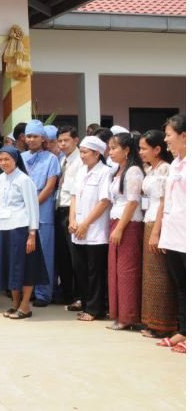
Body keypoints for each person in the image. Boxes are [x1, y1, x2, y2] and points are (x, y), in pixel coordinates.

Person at [0, 146, 48, 320]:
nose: (3, 163)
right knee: (9, 267)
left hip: (20, 228)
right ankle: (15, 303)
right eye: (0, 160)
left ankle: (25, 305)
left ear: (15, 160)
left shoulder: (24, 180)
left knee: (25, 267)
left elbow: (32, 207)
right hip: (3, 228)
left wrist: (32, 234)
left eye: (7, 159)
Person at [68, 136, 113, 322]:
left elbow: (104, 201)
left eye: (85, 152)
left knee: (95, 272)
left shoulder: (105, 172)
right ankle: (87, 304)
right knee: (81, 270)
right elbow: (73, 197)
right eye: (81, 152)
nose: (82, 156)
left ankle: (96, 309)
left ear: (96, 154)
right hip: (77, 229)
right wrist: (72, 219)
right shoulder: (81, 172)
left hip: (95, 230)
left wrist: (86, 223)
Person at [138, 130, 176, 339]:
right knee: (150, 275)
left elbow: (163, 202)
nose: (141, 152)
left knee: (160, 276)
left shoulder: (165, 169)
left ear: (157, 149)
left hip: (157, 222)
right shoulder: (150, 170)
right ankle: (152, 321)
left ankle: (164, 324)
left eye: (144, 148)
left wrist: (156, 232)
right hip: (148, 220)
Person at [106, 132, 145, 331]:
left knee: (127, 271)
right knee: (116, 270)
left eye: (114, 148)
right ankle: (119, 313)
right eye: (110, 148)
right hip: (116, 220)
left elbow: (132, 202)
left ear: (127, 150)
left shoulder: (133, 170)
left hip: (128, 223)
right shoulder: (118, 170)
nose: (110, 152)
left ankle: (128, 316)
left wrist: (120, 228)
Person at [154, 114, 186, 352]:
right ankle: (183, 330)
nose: (165, 140)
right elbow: (167, 201)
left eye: (168, 135)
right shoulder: (175, 163)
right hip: (174, 234)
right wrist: (161, 233)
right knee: (181, 286)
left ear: (184, 135)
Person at [22, 120, 61, 307]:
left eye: (35, 136)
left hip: (42, 210)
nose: (31, 139)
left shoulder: (51, 159)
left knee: (44, 253)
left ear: (42, 138)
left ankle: (44, 293)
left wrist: (33, 205)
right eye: (28, 136)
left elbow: (50, 186)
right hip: (22, 210)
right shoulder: (20, 157)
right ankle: (27, 291)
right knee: (25, 253)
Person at [55, 126, 82, 305]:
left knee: (75, 257)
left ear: (76, 140)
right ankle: (67, 294)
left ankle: (79, 296)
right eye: (60, 141)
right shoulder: (62, 160)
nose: (63, 144)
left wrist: (73, 217)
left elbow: (77, 193)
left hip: (73, 211)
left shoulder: (80, 160)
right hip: (60, 210)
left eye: (66, 140)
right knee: (63, 255)